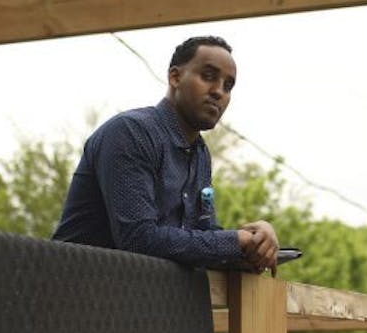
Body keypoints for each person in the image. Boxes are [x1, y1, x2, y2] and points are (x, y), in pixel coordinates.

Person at [52, 35, 279, 270]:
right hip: (75, 290)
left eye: (228, 85)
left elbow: (201, 234)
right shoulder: (131, 133)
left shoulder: (200, 154)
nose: (218, 92)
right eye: (208, 76)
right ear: (175, 77)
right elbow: (138, 239)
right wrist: (233, 241)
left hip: (146, 296)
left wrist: (254, 241)